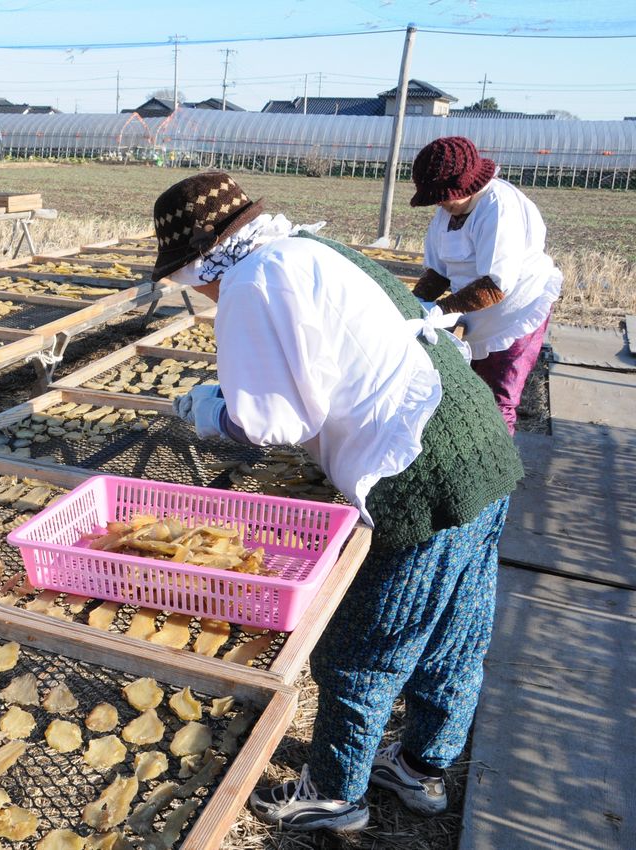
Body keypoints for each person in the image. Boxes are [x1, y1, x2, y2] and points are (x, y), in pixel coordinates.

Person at [153, 172, 523, 833]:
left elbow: (278, 421)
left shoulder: (251, 280)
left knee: (360, 650)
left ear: (203, 258)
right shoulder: (306, 250)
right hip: (477, 447)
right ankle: (421, 768)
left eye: (188, 279)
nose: (198, 294)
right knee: (454, 632)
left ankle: (333, 794)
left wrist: (213, 412)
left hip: (419, 470)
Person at [410, 136, 561, 434]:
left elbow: (495, 286)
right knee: (474, 390)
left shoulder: (498, 207)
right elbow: (439, 272)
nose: (439, 203)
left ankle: (498, 468)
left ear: (465, 185)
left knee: (498, 395)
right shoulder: (446, 214)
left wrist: (440, 309)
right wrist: (413, 305)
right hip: (476, 312)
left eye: (444, 196)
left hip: (516, 311)